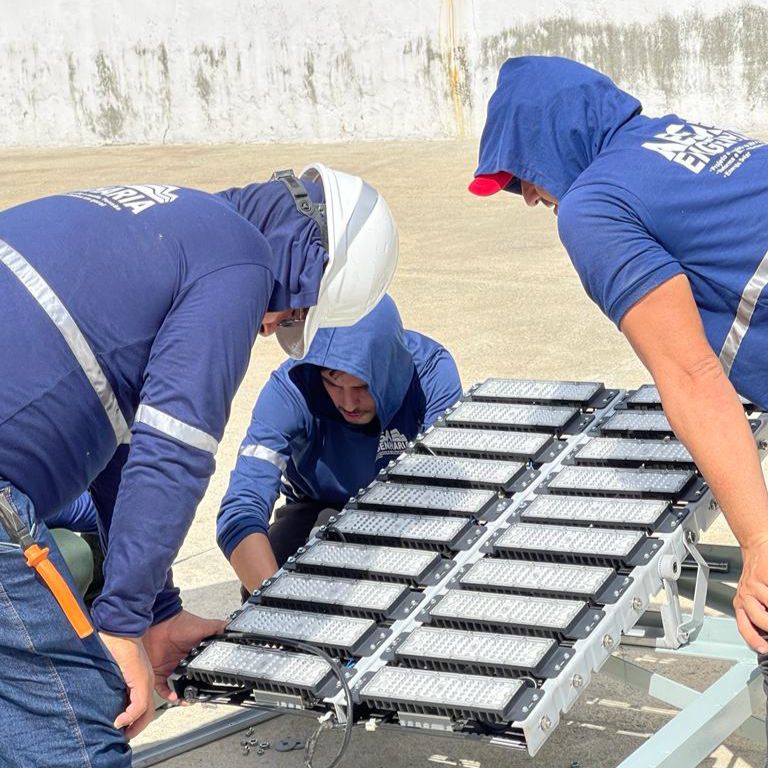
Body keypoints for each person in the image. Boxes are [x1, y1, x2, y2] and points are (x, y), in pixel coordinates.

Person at [0, 164, 398, 767]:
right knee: (77, 726)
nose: (270, 327)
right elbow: (173, 450)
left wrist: (156, 613)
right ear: (310, 258)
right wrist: (120, 626)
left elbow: (119, 448)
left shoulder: (176, 222)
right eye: (296, 313)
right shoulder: (240, 260)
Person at [468, 52, 768, 743]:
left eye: (522, 176)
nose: (530, 198)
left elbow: (692, 377)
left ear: (548, 141)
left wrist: (758, 543)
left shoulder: (594, 205)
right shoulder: (685, 138)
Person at [217, 294, 462, 593]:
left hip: (413, 507)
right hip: (320, 506)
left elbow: (446, 489)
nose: (349, 403)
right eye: (333, 382)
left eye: (362, 386)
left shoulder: (431, 374)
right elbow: (241, 506)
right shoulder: (288, 392)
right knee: (268, 577)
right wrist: (274, 603)